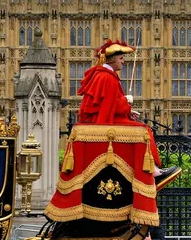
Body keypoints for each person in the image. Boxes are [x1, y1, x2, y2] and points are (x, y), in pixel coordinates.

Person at [76, 39, 179, 188]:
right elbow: (110, 107)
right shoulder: (107, 77)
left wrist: (128, 111)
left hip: (102, 121)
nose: (123, 62)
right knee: (143, 131)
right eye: (121, 58)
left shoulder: (103, 74)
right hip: (103, 125)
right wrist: (126, 101)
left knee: (139, 126)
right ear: (111, 59)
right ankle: (152, 172)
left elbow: (108, 106)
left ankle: (152, 170)